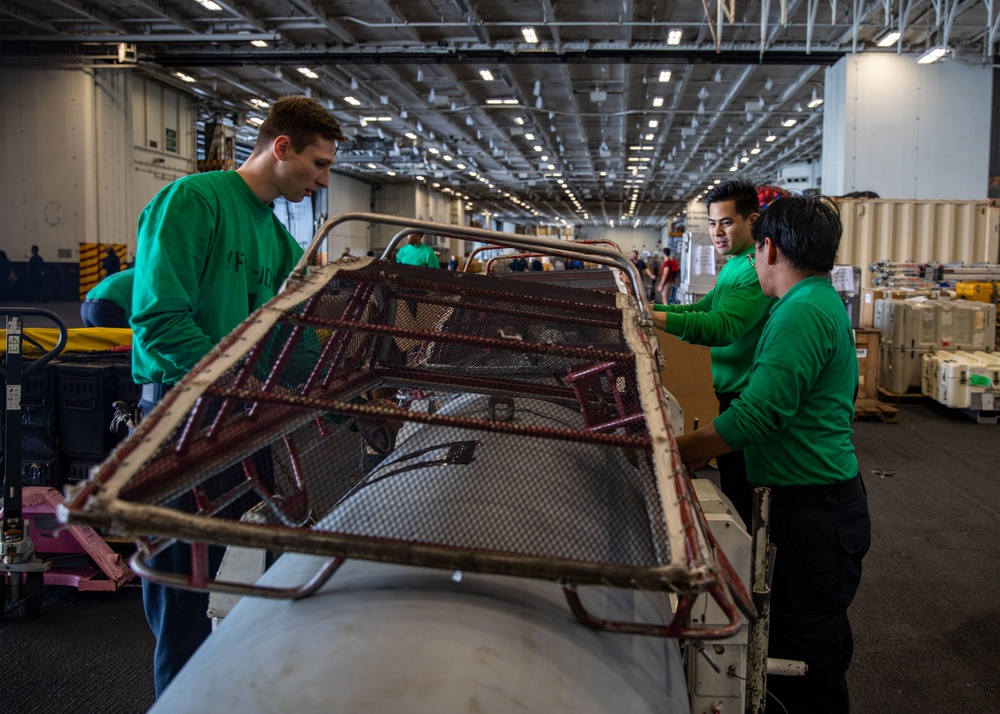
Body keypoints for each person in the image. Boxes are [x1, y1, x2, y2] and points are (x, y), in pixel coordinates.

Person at [130, 95, 345, 697]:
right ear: (282, 148)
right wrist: (240, 384)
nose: (324, 180)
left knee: (264, 565)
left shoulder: (275, 238)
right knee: (181, 594)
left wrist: (342, 400)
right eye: (319, 164)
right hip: (182, 419)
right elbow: (160, 320)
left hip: (241, 420)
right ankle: (176, 699)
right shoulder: (194, 202)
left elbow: (289, 337)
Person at [673, 195, 871, 714]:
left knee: (808, 655)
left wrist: (672, 451)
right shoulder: (810, 302)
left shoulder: (802, 311)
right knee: (791, 640)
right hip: (811, 504)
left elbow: (755, 417)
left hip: (812, 512)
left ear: (770, 248)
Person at [649, 178, 773, 527]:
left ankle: (750, 569)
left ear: (752, 221)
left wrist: (654, 317)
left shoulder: (753, 269)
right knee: (733, 486)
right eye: (712, 222)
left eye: (727, 222)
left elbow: (722, 327)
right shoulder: (734, 263)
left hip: (745, 395)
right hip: (729, 390)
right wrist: (653, 309)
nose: (717, 232)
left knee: (745, 495)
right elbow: (705, 308)